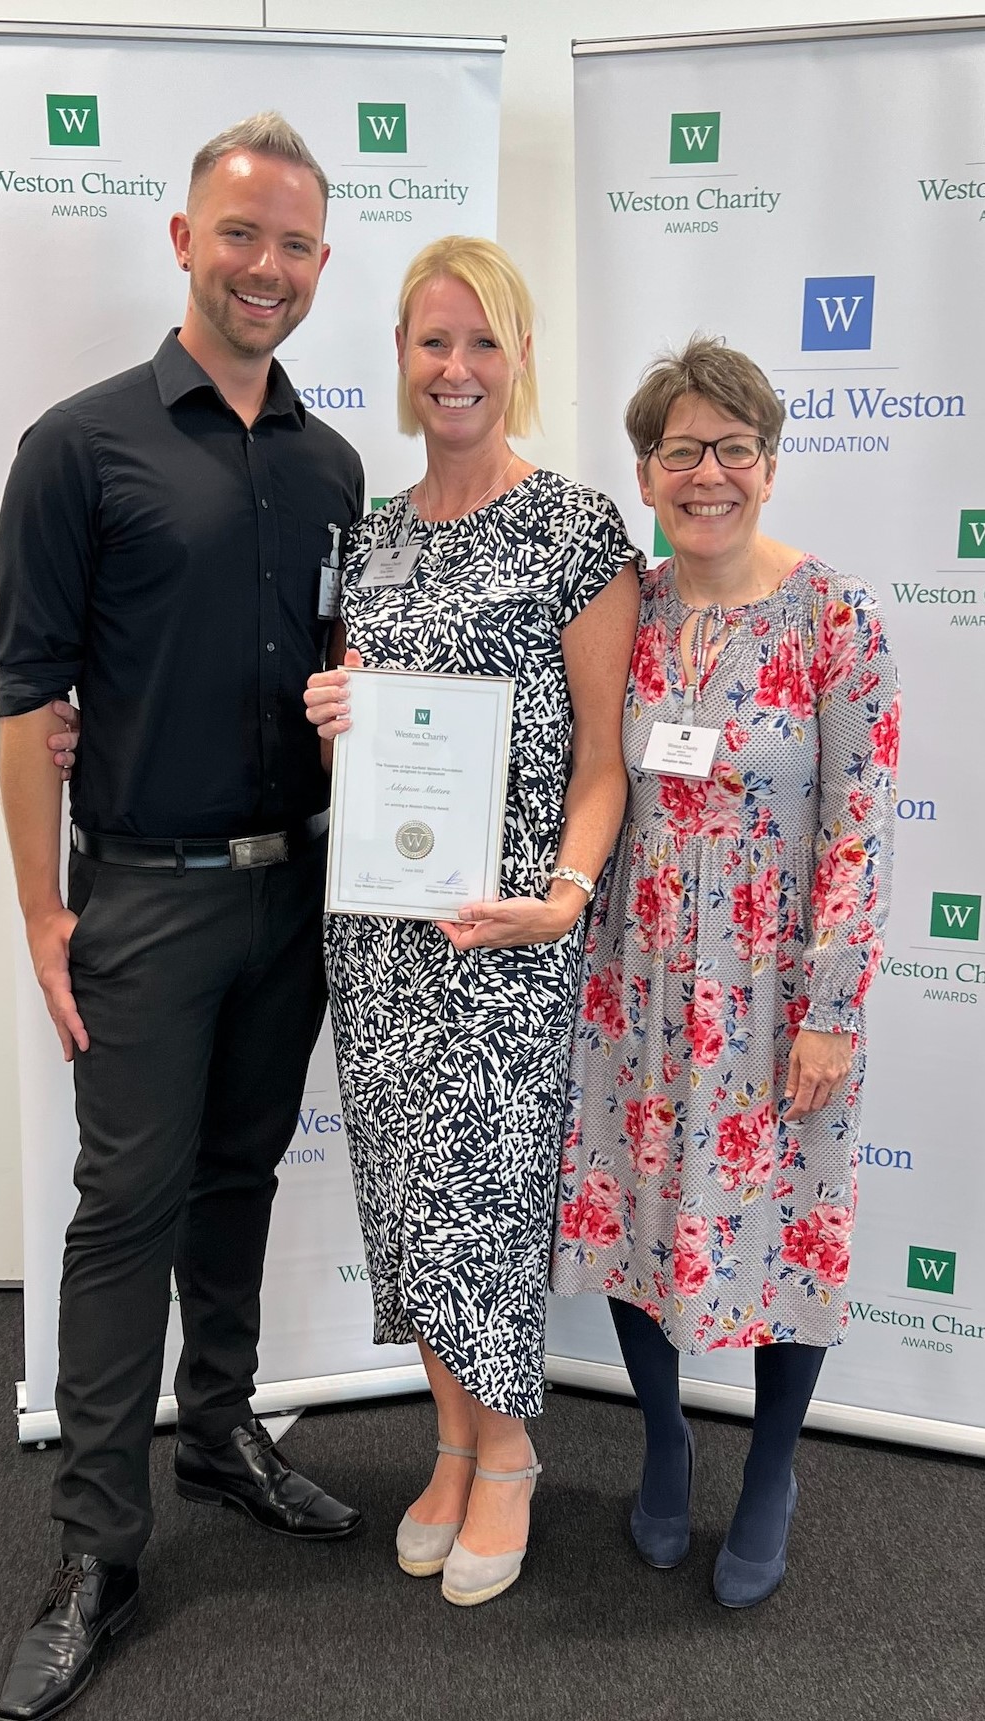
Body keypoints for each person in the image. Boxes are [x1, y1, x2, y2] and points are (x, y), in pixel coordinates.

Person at [0, 114, 363, 1721]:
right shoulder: (77, 447)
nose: (265, 268)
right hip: (142, 897)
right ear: (184, 240)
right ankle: (95, 1554)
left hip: (301, 889)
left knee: (238, 1179)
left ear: (320, 265)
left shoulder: (336, 464)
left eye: (293, 245)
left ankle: (218, 1434)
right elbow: (28, 700)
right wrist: (39, 913)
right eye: (241, 236)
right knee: (121, 1215)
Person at [303, 236, 639, 1607]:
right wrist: (340, 723)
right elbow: (370, 752)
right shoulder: (368, 538)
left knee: (486, 1208)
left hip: (510, 939)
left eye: (484, 342)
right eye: (434, 342)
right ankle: (448, 1445)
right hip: (382, 932)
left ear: (519, 360)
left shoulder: (577, 529)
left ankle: (510, 1457)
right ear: (399, 357)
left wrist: (559, 901)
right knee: (409, 1205)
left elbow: (606, 762)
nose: (457, 369)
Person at [551, 337, 899, 1607]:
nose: (707, 473)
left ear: (767, 459)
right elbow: (562, 751)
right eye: (678, 450)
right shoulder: (624, 607)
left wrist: (831, 1011)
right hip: (636, 980)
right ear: (644, 472)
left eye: (731, 447)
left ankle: (768, 1469)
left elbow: (861, 823)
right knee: (636, 1209)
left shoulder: (834, 618)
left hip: (770, 993)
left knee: (786, 1225)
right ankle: (660, 1434)